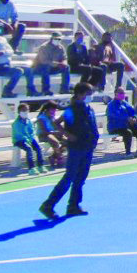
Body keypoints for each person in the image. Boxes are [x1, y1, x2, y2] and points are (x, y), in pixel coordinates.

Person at [39, 82, 100, 219]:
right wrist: (67, 134)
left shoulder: (89, 109)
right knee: (69, 177)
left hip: (87, 147)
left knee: (81, 178)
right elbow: (57, 122)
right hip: (76, 148)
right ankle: (48, 205)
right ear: (79, 95)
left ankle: (73, 205)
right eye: (87, 94)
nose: (90, 96)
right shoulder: (71, 110)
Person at [105, 88, 137, 155]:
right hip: (116, 127)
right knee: (128, 133)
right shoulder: (111, 105)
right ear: (115, 94)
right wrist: (127, 118)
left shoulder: (125, 103)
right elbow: (115, 115)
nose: (122, 94)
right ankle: (128, 152)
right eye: (120, 93)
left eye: (123, 93)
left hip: (127, 125)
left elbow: (133, 112)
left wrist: (134, 118)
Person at [31, 31, 71, 96]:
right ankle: (45, 90)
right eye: (55, 39)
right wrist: (57, 64)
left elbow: (64, 58)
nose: (57, 40)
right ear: (51, 38)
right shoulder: (44, 47)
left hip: (52, 67)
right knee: (46, 67)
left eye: (59, 39)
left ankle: (64, 89)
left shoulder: (61, 47)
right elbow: (44, 61)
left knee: (66, 67)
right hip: (39, 67)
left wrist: (64, 63)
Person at [12, 103, 46, 172]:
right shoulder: (16, 123)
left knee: (38, 148)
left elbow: (32, 130)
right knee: (29, 149)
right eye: (23, 110)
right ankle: (31, 168)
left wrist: (30, 138)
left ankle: (41, 165)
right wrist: (27, 140)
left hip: (29, 139)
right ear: (19, 112)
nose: (25, 112)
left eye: (27, 110)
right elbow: (19, 134)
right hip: (19, 140)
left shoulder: (29, 121)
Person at [36, 102, 66, 168]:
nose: (55, 111)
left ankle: (53, 156)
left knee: (67, 141)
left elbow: (57, 127)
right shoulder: (41, 118)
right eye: (53, 109)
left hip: (52, 134)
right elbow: (44, 131)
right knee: (55, 141)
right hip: (43, 135)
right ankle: (59, 157)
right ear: (48, 109)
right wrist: (55, 133)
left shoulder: (52, 117)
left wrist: (62, 132)